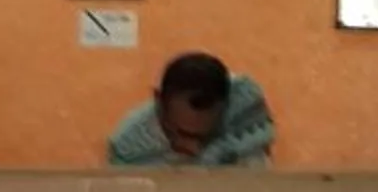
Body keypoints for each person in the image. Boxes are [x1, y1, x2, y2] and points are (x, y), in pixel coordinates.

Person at [107, 53, 275, 170]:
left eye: (207, 136)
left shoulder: (243, 102)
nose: (194, 149)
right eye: (181, 133)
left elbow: (256, 180)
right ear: (158, 101)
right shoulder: (128, 146)